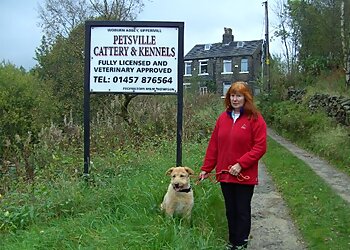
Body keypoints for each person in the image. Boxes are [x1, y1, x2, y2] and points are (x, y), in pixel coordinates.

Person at [199, 81, 267, 250]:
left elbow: (260, 147)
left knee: (242, 210)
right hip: (225, 173)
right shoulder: (223, 118)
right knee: (230, 210)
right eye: (232, 95)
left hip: (244, 174)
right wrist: (206, 168)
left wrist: (241, 164)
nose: (235, 99)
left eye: (239, 95)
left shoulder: (255, 118)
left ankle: (242, 243)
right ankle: (233, 242)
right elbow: (214, 145)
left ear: (246, 98)